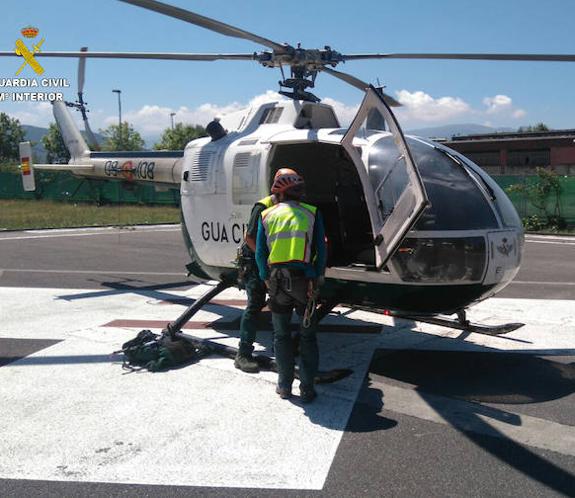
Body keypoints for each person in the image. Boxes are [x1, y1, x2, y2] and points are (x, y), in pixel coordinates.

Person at [255, 168, 326, 403]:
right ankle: (307, 388)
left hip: (276, 283)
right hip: (304, 282)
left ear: (279, 191)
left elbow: (260, 253)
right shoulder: (312, 213)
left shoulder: (267, 215)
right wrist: (316, 278)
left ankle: (284, 386)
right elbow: (321, 251)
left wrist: (266, 277)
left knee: (281, 336)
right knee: (308, 337)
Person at [234, 191, 277, 373]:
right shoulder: (263, 206)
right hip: (254, 262)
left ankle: (280, 346)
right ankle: (243, 354)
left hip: (273, 262)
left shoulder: (287, 206)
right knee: (255, 305)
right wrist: (265, 260)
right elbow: (249, 237)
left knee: (280, 304)